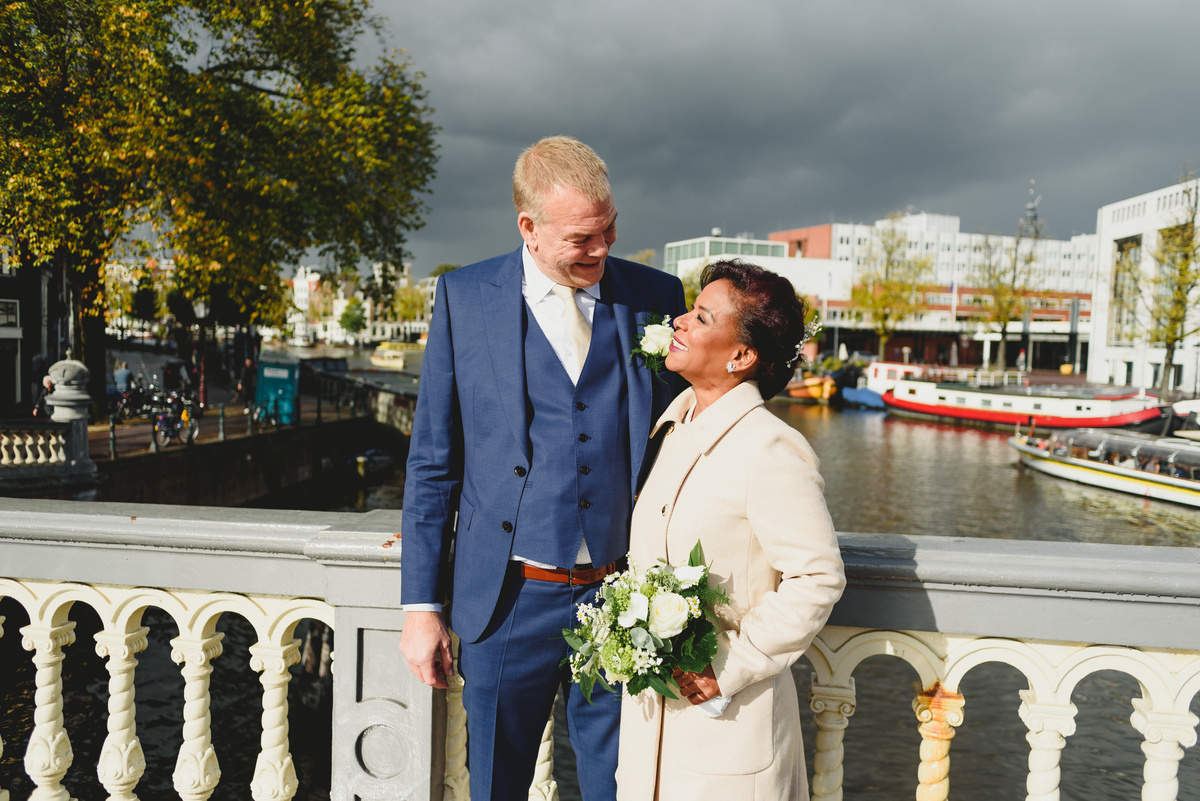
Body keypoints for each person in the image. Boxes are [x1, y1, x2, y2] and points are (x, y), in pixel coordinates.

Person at [399, 135, 687, 800]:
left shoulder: (657, 296)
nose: (603, 248)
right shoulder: (464, 298)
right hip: (507, 599)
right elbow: (434, 463)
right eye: (583, 237)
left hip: (624, 595)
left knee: (620, 786)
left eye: (610, 228)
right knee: (495, 783)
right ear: (528, 227)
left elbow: (692, 437)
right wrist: (421, 606)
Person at [616, 260, 846, 801]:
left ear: (742, 356)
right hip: (651, 728)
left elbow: (817, 577)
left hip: (730, 727)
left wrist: (730, 666)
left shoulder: (769, 448)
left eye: (700, 316)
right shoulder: (670, 427)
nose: (679, 321)